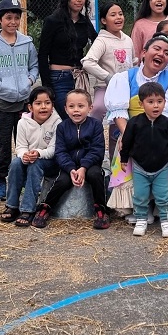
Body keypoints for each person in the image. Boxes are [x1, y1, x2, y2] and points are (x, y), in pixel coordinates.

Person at [104, 33, 168, 221]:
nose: (162, 53)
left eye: (167, 52)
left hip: (161, 131)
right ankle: (137, 206)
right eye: (157, 49)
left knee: (167, 145)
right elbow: (119, 113)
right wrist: (129, 136)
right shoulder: (124, 78)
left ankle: (158, 204)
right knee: (126, 148)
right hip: (131, 130)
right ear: (144, 52)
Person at [0, 0, 39, 201]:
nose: (12, 22)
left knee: (24, 143)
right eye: (8, 18)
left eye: (16, 18)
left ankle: (24, 179)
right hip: (2, 103)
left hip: (23, 103)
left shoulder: (27, 42)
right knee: (2, 145)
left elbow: (34, 66)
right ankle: (0, 180)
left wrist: (29, 80)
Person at [30, 90, 110, 230]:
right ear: (66, 109)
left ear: (90, 108)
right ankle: (45, 208)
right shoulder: (62, 127)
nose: (76, 110)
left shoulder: (96, 125)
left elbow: (97, 150)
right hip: (70, 166)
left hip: (90, 164)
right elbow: (60, 152)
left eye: (81, 106)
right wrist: (71, 169)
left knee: (96, 175)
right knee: (62, 181)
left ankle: (101, 210)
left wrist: (84, 167)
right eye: (72, 106)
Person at [119, 82, 168, 237]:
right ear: (141, 104)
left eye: (159, 102)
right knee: (140, 195)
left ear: (165, 102)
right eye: (151, 102)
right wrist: (124, 159)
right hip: (140, 167)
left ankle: (166, 221)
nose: (156, 106)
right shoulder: (134, 123)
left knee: (163, 195)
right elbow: (126, 142)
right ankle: (141, 219)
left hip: (161, 168)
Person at [0, 86, 61, 227]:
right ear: (30, 107)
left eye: (47, 103)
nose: (43, 107)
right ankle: (12, 205)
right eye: (38, 103)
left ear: (52, 106)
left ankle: (28, 209)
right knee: (15, 163)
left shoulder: (57, 123)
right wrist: (24, 155)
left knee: (35, 165)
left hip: (50, 162)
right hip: (29, 158)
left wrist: (38, 153)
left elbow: (53, 149)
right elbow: (20, 147)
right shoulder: (22, 123)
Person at [38, 0, 98, 120]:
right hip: (59, 78)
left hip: (79, 77)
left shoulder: (85, 22)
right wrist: (47, 86)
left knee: (80, 119)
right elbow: (42, 54)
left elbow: (99, 44)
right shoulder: (52, 21)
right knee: (68, 118)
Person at [81, 2, 136, 123]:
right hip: (105, 87)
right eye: (113, 15)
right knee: (97, 109)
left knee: (123, 117)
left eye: (120, 14)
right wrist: (108, 77)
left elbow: (134, 62)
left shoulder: (128, 39)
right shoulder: (102, 41)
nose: (118, 17)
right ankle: (93, 136)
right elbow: (88, 62)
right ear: (104, 21)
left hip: (126, 87)